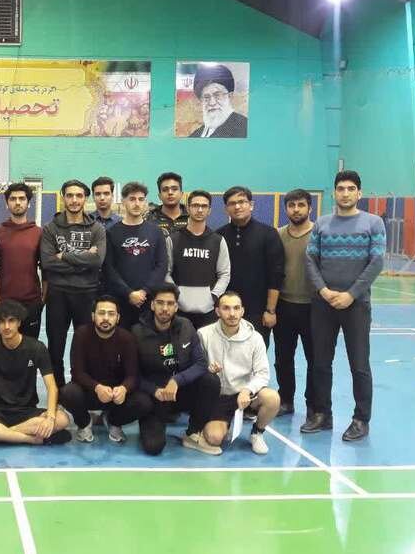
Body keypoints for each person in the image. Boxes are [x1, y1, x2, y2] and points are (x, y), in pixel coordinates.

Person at [304, 170, 386, 442]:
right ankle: (322, 414)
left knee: (359, 365)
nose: (346, 193)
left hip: (357, 306)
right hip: (323, 304)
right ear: (334, 193)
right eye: (341, 188)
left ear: (359, 193)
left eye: (351, 189)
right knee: (320, 363)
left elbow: (376, 262)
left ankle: (361, 419)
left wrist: (351, 294)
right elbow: (310, 260)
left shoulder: (373, 223)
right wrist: (324, 291)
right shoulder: (321, 224)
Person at [0, 301, 72, 445]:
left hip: (27, 410)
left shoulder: (36, 348)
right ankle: (30, 439)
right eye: (1, 322)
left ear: (19, 322)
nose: (6, 326)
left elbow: (52, 387)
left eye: (11, 321)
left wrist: (51, 416)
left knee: (63, 419)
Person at [132, 284, 221, 456]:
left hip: (179, 393)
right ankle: (152, 422)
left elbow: (201, 363)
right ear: (152, 305)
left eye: (170, 303)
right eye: (160, 303)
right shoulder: (137, 332)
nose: (165, 308)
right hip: (154, 398)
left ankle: (193, 433)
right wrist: (154, 390)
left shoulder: (186, 326)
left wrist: (176, 380)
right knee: (153, 447)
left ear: (176, 307)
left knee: (210, 380)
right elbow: (133, 375)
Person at [41, 180, 107, 386]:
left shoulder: (96, 228)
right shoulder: (51, 228)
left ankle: (82, 389)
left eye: (79, 195)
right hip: (58, 295)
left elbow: (97, 261)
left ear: (85, 198)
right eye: (70, 195)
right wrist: (84, 259)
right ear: (63, 198)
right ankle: (58, 391)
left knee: (85, 347)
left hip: (87, 294)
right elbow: (48, 263)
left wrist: (64, 256)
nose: (74, 200)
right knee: (55, 347)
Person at [199, 292, 280, 455]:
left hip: (245, 396)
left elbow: (263, 373)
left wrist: (247, 390)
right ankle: (223, 423)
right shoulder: (204, 334)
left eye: (236, 308)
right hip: (218, 397)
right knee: (214, 438)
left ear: (242, 311)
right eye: (226, 308)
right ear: (217, 311)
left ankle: (257, 432)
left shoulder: (255, 338)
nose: (232, 313)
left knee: (272, 398)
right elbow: (196, 368)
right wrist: (208, 371)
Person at [60, 296, 146, 443]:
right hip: (90, 392)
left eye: (111, 314)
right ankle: (84, 423)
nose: (106, 318)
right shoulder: (81, 334)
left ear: (118, 318)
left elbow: (133, 375)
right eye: (101, 313)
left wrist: (124, 388)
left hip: (116, 396)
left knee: (143, 402)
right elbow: (77, 373)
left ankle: (114, 421)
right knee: (68, 393)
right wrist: (97, 387)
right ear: (93, 316)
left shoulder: (127, 338)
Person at [217, 186, 284, 348]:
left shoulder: (268, 234)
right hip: (227, 310)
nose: (237, 206)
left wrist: (270, 310)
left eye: (242, 202)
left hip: (258, 311)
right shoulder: (219, 236)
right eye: (232, 203)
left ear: (251, 205)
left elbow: (276, 274)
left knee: (255, 356)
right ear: (226, 209)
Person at [102, 181, 168, 329]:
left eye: (141, 199)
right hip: (121, 300)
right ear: (123, 201)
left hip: (148, 301)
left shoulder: (156, 232)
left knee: (147, 341)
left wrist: (145, 291)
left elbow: (162, 265)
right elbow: (109, 268)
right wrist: (129, 293)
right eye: (132, 199)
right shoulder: (112, 232)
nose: (137, 203)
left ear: (145, 202)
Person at [273, 190, 315, 416]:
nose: (296, 209)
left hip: (313, 307)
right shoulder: (278, 235)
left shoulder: (319, 234)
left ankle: (313, 404)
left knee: (315, 359)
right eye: (291, 205)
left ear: (310, 208)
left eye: (301, 205)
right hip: (284, 305)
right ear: (286, 208)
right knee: (283, 358)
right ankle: (286, 399)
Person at [165, 190, 231, 329]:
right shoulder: (173, 239)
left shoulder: (218, 240)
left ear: (209, 210)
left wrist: (214, 296)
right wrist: (176, 294)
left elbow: (224, 273)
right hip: (179, 310)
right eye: (195, 205)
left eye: (204, 206)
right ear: (188, 208)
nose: (200, 210)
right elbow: (166, 271)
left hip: (208, 311)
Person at [0, 182, 45, 338]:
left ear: (29, 203)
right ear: (7, 204)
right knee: (3, 348)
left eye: (22, 198)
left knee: (30, 347)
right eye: (13, 199)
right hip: (4, 302)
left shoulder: (39, 233)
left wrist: (43, 299)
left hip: (31, 303)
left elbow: (46, 269)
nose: (18, 202)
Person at [186, 63, 248, 138]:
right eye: (206, 97)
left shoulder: (243, 127)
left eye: (217, 95)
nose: (212, 103)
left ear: (230, 96)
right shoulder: (196, 135)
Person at [146, 172, 189, 238]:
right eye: (165, 190)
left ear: (181, 194)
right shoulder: (149, 218)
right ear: (159, 196)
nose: (170, 192)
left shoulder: (191, 216)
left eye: (174, 189)